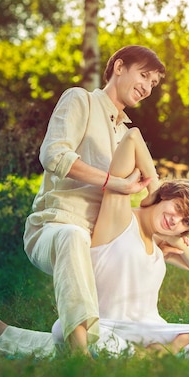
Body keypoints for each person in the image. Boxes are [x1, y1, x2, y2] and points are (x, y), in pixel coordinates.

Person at [0, 128, 189, 358]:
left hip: (150, 329)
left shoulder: (161, 244)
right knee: (75, 337)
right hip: (102, 328)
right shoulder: (120, 217)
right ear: (167, 195)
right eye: (178, 207)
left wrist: (176, 236)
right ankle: (160, 355)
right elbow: (132, 138)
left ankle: (2, 334)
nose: (176, 219)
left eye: (186, 222)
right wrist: (154, 190)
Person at [23, 45, 166, 356]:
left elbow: (149, 196)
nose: (146, 87)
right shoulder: (81, 100)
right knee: (73, 236)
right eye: (143, 75)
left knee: (124, 321)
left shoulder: (128, 133)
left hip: (103, 239)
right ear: (118, 67)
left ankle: (1, 334)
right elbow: (54, 155)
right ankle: (80, 355)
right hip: (58, 225)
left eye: (153, 84)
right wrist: (112, 182)